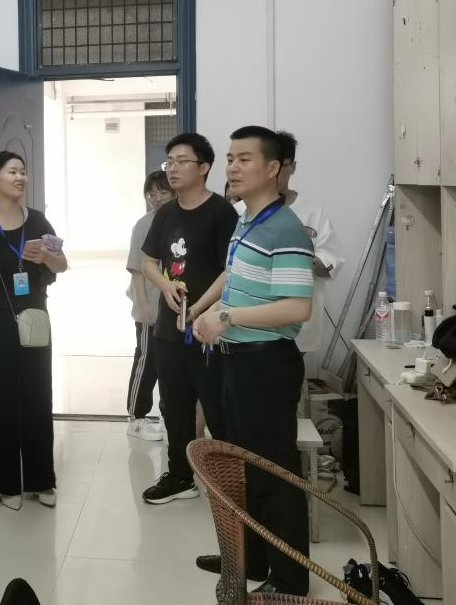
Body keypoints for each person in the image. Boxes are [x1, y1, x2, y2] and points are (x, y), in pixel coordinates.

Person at [190, 125, 315, 596]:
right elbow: (233, 272)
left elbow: (296, 307)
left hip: (266, 364)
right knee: (242, 466)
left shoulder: (287, 229)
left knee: (273, 473)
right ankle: (252, 559)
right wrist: (202, 308)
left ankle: (289, 581)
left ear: (273, 168)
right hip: (237, 360)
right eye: (230, 158)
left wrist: (227, 317)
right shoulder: (247, 219)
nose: (233, 167)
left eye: (244, 159)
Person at [0, 152, 68, 511]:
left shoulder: (37, 221)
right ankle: (6, 483)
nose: (20, 177)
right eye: (12, 172)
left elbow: (62, 265)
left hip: (34, 316)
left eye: (23, 171)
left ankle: (41, 480)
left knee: (37, 397)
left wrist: (47, 258)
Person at [139, 133, 237, 504]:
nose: (173, 168)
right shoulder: (165, 213)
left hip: (209, 329)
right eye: (170, 161)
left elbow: (231, 270)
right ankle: (180, 476)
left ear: (204, 167)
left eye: (182, 161)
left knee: (218, 407)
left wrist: (200, 309)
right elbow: (149, 262)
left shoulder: (221, 213)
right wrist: (165, 286)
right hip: (170, 329)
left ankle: (231, 481)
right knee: (175, 407)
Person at [275, 131, 344, 374]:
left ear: (293, 167)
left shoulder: (313, 213)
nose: (275, 172)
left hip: (300, 322)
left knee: (290, 383)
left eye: (281, 166)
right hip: (253, 325)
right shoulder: (240, 211)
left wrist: (299, 257)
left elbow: (331, 263)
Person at [125, 170, 174, 441]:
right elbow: (136, 269)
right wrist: (144, 308)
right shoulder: (144, 224)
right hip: (151, 307)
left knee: (170, 365)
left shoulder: (179, 220)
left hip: (174, 307)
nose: (156, 198)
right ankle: (137, 417)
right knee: (148, 360)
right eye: (151, 193)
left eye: (162, 192)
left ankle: (168, 416)